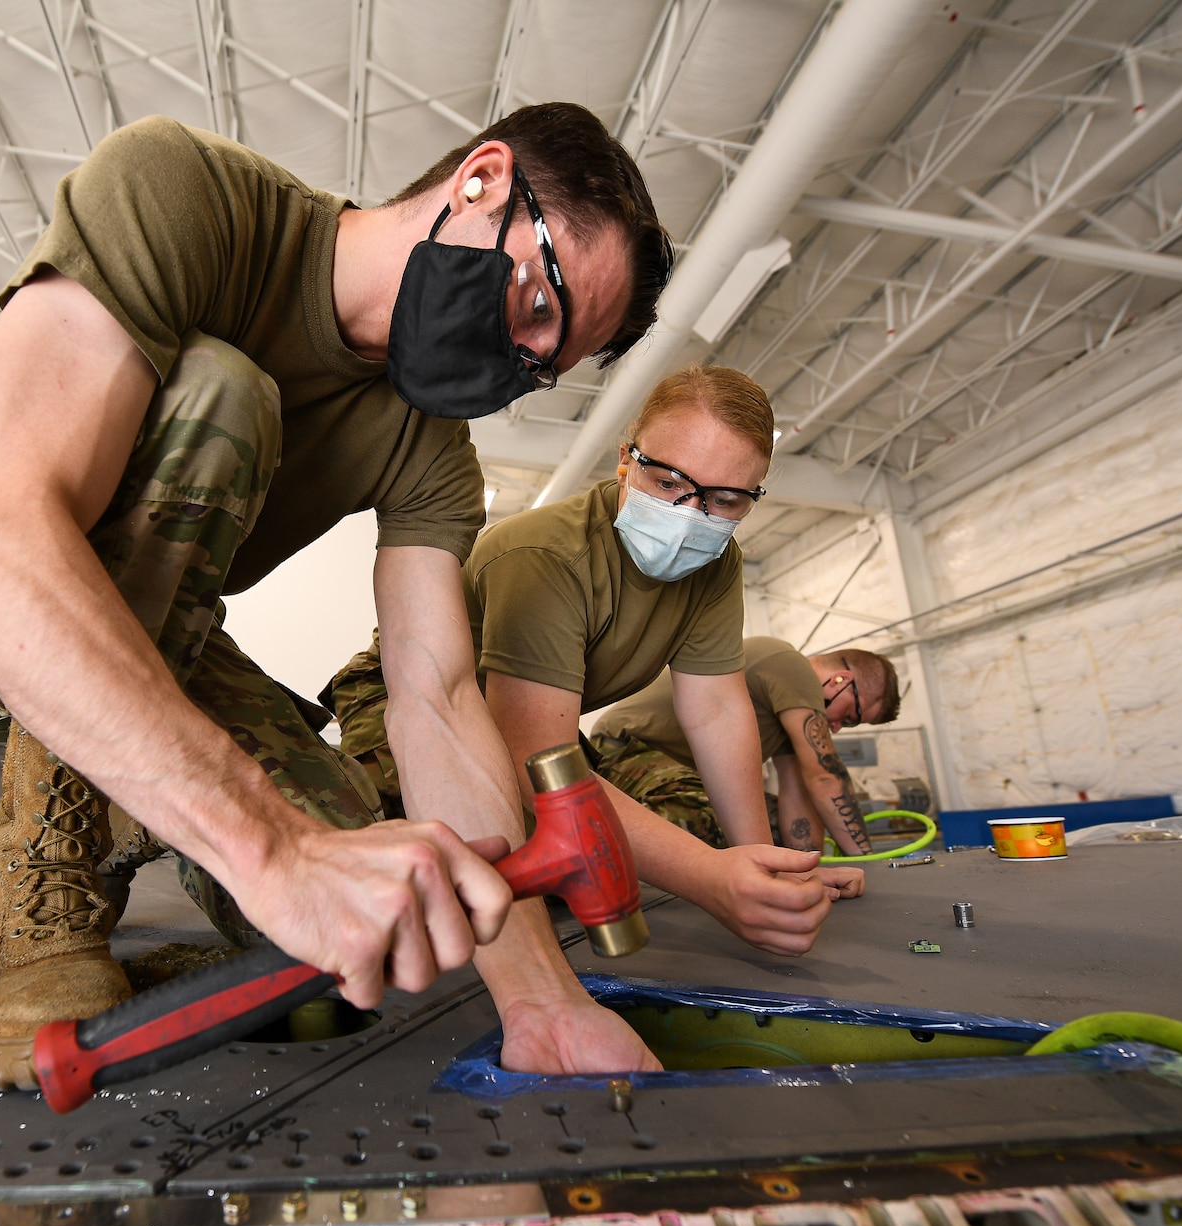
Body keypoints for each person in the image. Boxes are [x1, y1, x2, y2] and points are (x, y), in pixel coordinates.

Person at [0, 104, 674, 1089]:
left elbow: (436, 700)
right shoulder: (185, 193)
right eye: (537, 307)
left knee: (366, 905)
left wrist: (540, 1003)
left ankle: (154, 839)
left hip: (158, 642)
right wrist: (269, 850)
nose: (515, 365)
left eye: (544, 366)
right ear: (482, 181)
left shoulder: (433, 456)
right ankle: (39, 893)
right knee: (222, 390)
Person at [327, 366, 859, 1024]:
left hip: (522, 720)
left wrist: (755, 869)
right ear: (623, 462)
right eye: (668, 482)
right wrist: (708, 879)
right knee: (383, 854)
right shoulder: (547, 554)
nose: (692, 513)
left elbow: (717, 710)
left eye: (725, 499)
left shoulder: (717, 567)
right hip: (410, 691)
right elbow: (531, 754)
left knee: (630, 847)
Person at [591, 641, 901, 857]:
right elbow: (826, 776)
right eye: (848, 718)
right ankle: (578, 850)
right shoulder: (792, 665)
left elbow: (796, 798)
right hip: (628, 747)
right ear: (840, 681)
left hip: (675, 772)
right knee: (703, 817)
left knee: (771, 828)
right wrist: (867, 861)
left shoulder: (785, 717)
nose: (835, 728)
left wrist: (804, 870)